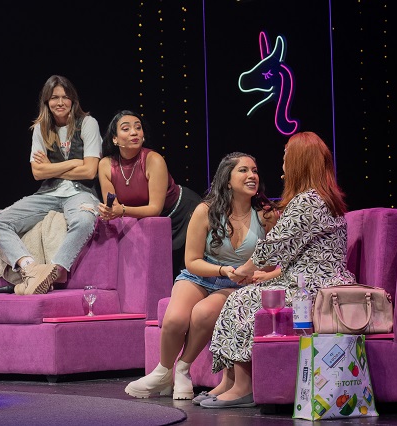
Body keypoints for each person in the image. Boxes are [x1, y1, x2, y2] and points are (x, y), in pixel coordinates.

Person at [199, 131, 356, 409]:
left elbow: (273, 247)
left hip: (316, 289)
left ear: (297, 162)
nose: (282, 163)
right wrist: (268, 275)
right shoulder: (319, 198)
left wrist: (244, 270)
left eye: (286, 157)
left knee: (242, 299)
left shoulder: (308, 201)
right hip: (305, 279)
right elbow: (299, 254)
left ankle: (244, 388)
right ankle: (229, 381)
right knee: (241, 296)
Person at [124, 152, 279, 400]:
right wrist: (222, 270)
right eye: (243, 170)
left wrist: (254, 274)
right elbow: (192, 261)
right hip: (201, 275)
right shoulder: (205, 211)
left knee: (203, 312)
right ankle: (163, 372)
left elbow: (273, 261)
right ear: (227, 180)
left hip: (237, 284)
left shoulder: (266, 215)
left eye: (255, 171)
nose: (252, 175)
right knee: (175, 319)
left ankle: (182, 369)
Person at [0, 75, 102, 295]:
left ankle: (54, 271)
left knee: (85, 220)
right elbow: (38, 173)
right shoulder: (41, 128)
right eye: (54, 98)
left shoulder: (88, 123)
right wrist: (73, 163)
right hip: (49, 192)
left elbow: (89, 171)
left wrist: (52, 166)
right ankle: (31, 269)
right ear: (47, 102)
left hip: (80, 192)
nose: (60, 102)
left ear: (73, 100)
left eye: (65, 97)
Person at [97, 110, 201, 277]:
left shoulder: (154, 159)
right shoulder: (105, 165)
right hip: (150, 223)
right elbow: (113, 206)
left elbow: (155, 209)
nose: (134, 132)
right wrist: (109, 211)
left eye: (138, 128)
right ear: (114, 139)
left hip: (183, 214)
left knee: (185, 274)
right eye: (126, 129)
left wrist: (121, 210)